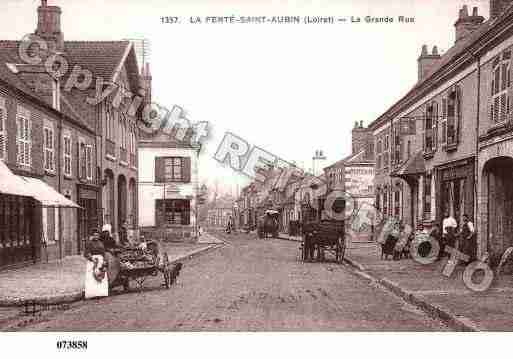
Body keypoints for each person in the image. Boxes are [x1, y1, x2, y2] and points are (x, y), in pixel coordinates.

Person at [84, 230, 109, 299]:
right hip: (93, 261)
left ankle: (101, 293)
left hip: (100, 260)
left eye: (97, 235)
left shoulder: (101, 243)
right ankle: (92, 293)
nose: (96, 237)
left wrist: (104, 261)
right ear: (92, 236)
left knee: (101, 274)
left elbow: (103, 253)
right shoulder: (89, 243)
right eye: (94, 235)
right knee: (92, 276)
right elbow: (86, 252)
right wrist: (91, 258)